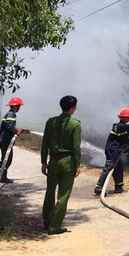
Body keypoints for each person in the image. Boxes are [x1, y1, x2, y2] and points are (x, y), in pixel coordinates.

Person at [41, 95, 81, 235]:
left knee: (49, 192)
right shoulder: (75, 124)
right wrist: (77, 164)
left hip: (53, 162)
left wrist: (43, 162)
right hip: (67, 162)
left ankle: (46, 222)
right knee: (63, 195)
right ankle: (54, 226)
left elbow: (44, 143)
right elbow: (76, 147)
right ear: (72, 108)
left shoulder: (50, 122)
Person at [94, 107, 129, 196]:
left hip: (111, 149)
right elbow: (124, 139)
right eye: (127, 118)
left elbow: (121, 137)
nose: (128, 119)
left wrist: (128, 139)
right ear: (122, 118)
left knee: (119, 167)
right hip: (114, 151)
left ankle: (118, 187)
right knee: (108, 168)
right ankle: (98, 188)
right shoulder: (122, 126)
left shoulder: (117, 125)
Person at [0, 97, 25, 183]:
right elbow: (10, 126)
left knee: (4, 159)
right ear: (15, 106)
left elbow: (10, 126)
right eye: (19, 106)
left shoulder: (10, 114)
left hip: (4, 140)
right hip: (5, 140)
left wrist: (21, 130)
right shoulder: (11, 114)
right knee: (7, 159)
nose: (19, 108)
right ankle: (2, 177)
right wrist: (17, 131)